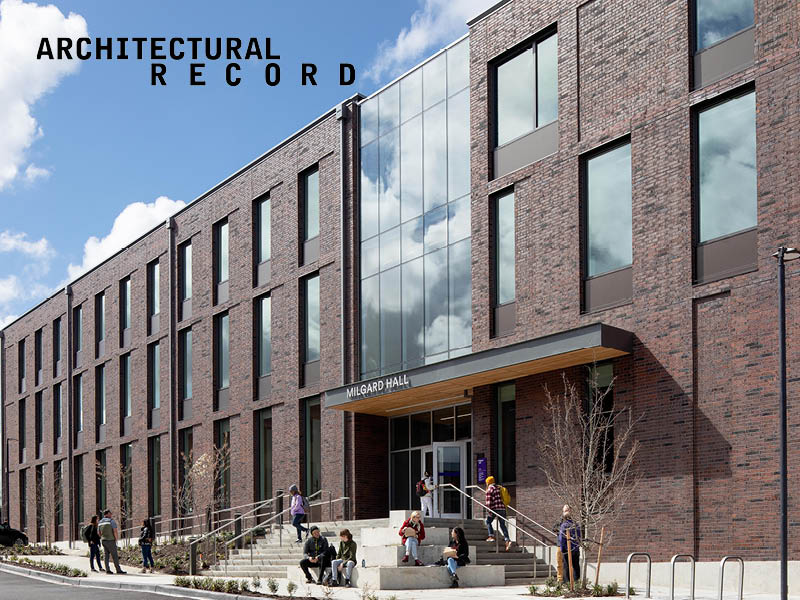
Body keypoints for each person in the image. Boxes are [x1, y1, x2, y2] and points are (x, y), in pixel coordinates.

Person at [484, 476, 511, 551]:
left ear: (488, 482)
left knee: (488, 521)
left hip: (495, 509)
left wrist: (489, 511)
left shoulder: (490, 489)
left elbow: (488, 502)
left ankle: (491, 536)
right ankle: (507, 540)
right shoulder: (498, 487)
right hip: (502, 508)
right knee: (502, 525)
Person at [558, 504, 582, 586]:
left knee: (567, 566)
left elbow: (561, 539)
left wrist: (562, 549)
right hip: (575, 548)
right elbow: (579, 537)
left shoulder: (564, 525)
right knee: (576, 566)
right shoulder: (576, 524)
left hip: (567, 549)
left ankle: (568, 583)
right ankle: (577, 583)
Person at [98, 509, 127, 574]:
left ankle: (107, 570)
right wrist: (116, 539)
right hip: (110, 540)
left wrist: (102, 537)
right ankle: (118, 570)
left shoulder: (100, 522)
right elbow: (115, 531)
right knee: (115, 556)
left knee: (106, 556)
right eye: (110, 513)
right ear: (107, 514)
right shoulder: (111, 521)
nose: (111, 515)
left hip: (103, 540)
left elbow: (99, 533)